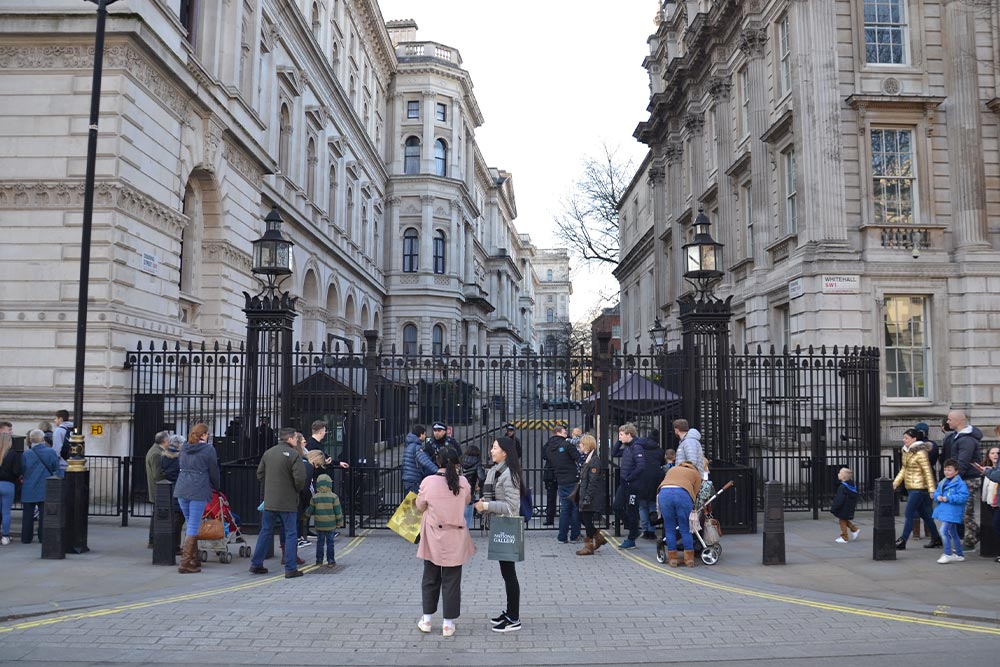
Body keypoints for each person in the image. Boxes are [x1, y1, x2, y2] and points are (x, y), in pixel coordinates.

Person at [415, 447, 476, 637]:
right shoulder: (463, 482)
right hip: (456, 536)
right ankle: (448, 624)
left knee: (430, 578)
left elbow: (419, 505)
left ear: (438, 462)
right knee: (452, 581)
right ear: (457, 464)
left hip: (433, 535)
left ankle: (426, 620)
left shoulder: (428, 482)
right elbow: (467, 501)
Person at [473, 437, 524, 633]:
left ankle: (514, 618)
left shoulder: (509, 474)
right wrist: (487, 502)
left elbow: (512, 507)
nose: (491, 450)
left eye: (494, 447)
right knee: (506, 573)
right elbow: (497, 497)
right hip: (499, 525)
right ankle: (510, 612)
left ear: (505, 452)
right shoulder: (496, 471)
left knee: (509, 574)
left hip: (507, 526)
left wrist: (486, 506)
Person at [250, 427, 307, 578]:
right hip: (288, 501)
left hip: (270, 500)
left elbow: (260, 473)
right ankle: (290, 568)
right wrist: (295, 489)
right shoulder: (294, 455)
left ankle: (256, 564)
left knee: (265, 531)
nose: (297, 440)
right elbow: (300, 478)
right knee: (290, 533)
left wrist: (270, 486)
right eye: (295, 437)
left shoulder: (268, 453)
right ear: (289, 439)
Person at [173, 424, 221, 574]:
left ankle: (194, 559)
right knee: (193, 525)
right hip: (198, 488)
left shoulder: (185, 447)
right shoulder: (208, 449)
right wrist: (216, 485)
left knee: (190, 523)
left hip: (182, 488)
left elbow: (180, 465)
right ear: (204, 434)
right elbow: (213, 469)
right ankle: (185, 562)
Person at [891, 428, 941, 550]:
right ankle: (936, 538)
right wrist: (895, 483)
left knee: (909, 513)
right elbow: (904, 469)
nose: (904, 440)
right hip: (911, 486)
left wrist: (931, 490)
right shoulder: (905, 451)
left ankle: (903, 540)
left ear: (914, 439)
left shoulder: (921, 452)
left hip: (919, 488)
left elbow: (927, 471)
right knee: (925, 515)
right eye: (904, 438)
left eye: (906, 438)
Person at [946, 410, 983, 549]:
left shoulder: (966, 439)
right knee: (963, 511)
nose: (947, 422)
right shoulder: (958, 436)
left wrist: (953, 480)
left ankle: (971, 539)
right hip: (964, 479)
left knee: (965, 511)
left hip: (968, 479)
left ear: (959, 421)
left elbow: (962, 462)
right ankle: (975, 535)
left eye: (950, 419)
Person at [656, 461, 701, 567]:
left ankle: (673, 559)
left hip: (664, 494)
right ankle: (689, 560)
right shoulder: (695, 473)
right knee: (685, 527)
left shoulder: (672, 469)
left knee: (669, 527)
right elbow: (695, 492)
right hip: (683, 495)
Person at [20, 428, 62, 544]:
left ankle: (26, 538)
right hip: (45, 486)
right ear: (43, 439)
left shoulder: (26, 454)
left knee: (28, 515)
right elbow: (56, 468)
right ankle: (43, 537)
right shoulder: (50, 452)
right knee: (44, 515)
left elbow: (22, 469)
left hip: (29, 486)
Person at [543, 425, 581, 544]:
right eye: (564, 432)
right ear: (558, 433)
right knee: (575, 508)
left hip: (560, 480)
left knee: (565, 509)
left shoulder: (549, 448)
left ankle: (562, 536)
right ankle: (575, 535)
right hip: (572, 480)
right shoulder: (567, 445)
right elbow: (579, 458)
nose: (566, 434)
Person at [611, 423, 646, 549]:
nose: (619, 437)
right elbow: (614, 453)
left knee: (632, 510)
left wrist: (629, 478)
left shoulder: (636, 447)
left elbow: (641, 466)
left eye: (621, 435)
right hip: (624, 484)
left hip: (633, 485)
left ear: (629, 435)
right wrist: (620, 442)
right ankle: (633, 529)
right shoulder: (628, 447)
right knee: (617, 507)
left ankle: (632, 537)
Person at [575, 434, 607, 556]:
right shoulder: (588, 458)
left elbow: (593, 482)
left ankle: (588, 546)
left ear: (587, 445)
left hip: (590, 497)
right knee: (580, 517)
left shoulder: (594, 461)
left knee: (586, 519)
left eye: (581, 444)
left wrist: (587, 497)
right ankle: (598, 537)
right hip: (585, 495)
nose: (579, 446)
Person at [933, 459, 969, 563]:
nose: (947, 472)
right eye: (945, 470)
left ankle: (948, 553)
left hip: (953, 512)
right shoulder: (943, 482)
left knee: (943, 531)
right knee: (953, 532)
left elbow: (963, 497)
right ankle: (959, 554)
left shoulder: (960, 484)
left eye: (949, 470)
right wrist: (937, 496)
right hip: (946, 511)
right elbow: (936, 492)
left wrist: (948, 498)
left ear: (956, 471)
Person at [305, 473, 343, 569]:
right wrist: (339, 523)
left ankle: (319, 560)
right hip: (331, 525)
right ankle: (331, 561)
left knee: (320, 543)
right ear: (330, 484)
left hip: (319, 524)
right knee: (330, 543)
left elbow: (310, 510)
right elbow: (338, 511)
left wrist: (305, 516)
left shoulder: (315, 497)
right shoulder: (334, 497)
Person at [972, 444, 1000, 563]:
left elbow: (996, 476)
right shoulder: (991, 469)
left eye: (997, 453)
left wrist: (987, 472)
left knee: (996, 524)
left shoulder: (992, 471)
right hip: (994, 502)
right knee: (995, 524)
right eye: (992, 453)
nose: (995, 455)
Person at [159, 434, 186, 555]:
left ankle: (172, 545)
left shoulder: (165, 457)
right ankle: (175, 546)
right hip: (178, 490)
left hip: (170, 490)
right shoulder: (178, 459)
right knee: (178, 521)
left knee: (176, 520)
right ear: (179, 445)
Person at [636, 437, 666, 539]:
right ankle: (652, 530)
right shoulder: (660, 451)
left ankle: (645, 530)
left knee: (642, 506)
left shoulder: (641, 450)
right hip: (655, 480)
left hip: (642, 479)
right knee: (653, 506)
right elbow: (662, 463)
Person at [145, 430, 170, 548]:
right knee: (157, 516)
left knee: (156, 515)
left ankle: (153, 539)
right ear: (165, 441)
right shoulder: (156, 453)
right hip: (158, 489)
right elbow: (157, 474)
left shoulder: (156, 450)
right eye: (168, 440)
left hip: (157, 489)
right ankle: (153, 540)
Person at [403, 424, 437, 495]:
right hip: (414, 480)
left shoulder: (409, 445)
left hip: (407, 478)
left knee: (410, 502)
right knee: (415, 503)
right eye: (424, 434)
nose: (425, 437)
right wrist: (437, 470)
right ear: (420, 435)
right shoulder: (416, 447)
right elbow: (425, 461)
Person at [0, 432, 20, 545]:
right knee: (6, 512)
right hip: (8, 484)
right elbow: (17, 471)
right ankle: (5, 536)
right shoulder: (13, 454)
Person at [831, 468, 860, 544]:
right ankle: (854, 529)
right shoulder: (852, 485)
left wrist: (834, 507)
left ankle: (844, 537)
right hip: (849, 506)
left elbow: (840, 499)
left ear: (843, 477)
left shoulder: (842, 487)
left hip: (843, 507)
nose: (838, 474)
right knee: (844, 519)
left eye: (840, 473)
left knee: (842, 521)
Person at [460, 443, 485, 529]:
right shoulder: (477, 463)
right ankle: (464, 536)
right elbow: (482, 477)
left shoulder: (460, 461)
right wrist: (478, 485)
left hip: (457, 493)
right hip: (469, 493)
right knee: (467, 520)